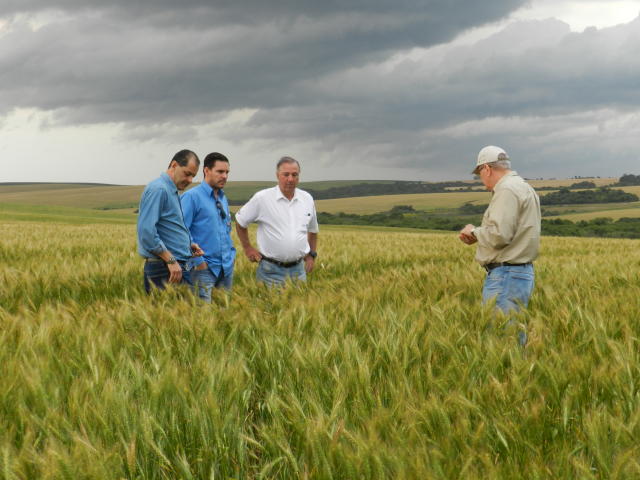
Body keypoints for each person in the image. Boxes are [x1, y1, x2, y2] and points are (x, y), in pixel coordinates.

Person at [459, 145, 541, 345]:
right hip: (519, 274)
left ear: (486, 168)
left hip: (505, 275)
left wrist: (473, 232)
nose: (482, 180)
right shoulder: (523, 186)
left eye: (479, 174)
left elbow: (499, 235)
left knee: (502, 340)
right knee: (513, 338)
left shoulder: (506, 190)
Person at [235, 156, 319, 287]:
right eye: (286, 174)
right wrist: (247, 248)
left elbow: (313, 230)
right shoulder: (262, 198)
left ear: (299, 176)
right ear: (277, 175)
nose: (290, 179)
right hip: (270, 271)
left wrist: (312, 255)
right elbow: (240, 221)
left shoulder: (307, 198)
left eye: (294, 175)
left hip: (299, 271)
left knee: (297, 305)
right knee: (267, 307)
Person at [137, 149, 204, 294]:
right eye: (187, 174)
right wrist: (171, 260)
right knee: (165, 315)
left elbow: (167, 227)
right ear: (174, 165)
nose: (190, 180)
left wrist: (187, 245)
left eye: (193, 176)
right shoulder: (159, 189)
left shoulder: (170, 190)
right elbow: (147, 232)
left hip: (175, 266)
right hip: (166, 268)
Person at [180, 152, 236, 302]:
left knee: (224, 318)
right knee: (202, 318)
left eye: (227, 172)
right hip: (203, 270)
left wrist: (231, 256)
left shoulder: (223, 198)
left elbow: (226, 229)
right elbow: (181, 231)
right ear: (206, 171)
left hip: (226, 269)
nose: (224, 176)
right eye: (220, 171)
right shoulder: (191, 197)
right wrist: (200, 263)